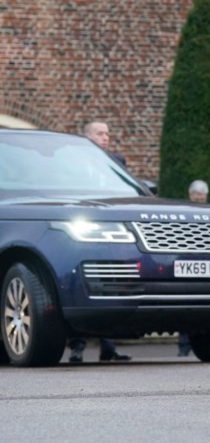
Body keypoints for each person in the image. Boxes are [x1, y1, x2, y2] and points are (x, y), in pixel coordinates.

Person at [68, 120, 131, 363]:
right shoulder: (72, 163)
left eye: (107, 134)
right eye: (99, 133)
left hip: (111, 231)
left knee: (111, 286)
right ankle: (77, 347)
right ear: (86, 136)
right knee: (79, 285)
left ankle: (109, 347)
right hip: (82, 227)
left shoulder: (117, 161)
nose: (105, 137)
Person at [177, 179, 210, 357]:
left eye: (201, 197)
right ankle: (183, 347)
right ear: (190, 196)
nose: (199, 199)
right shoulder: (183, 215)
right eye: (196, 196)